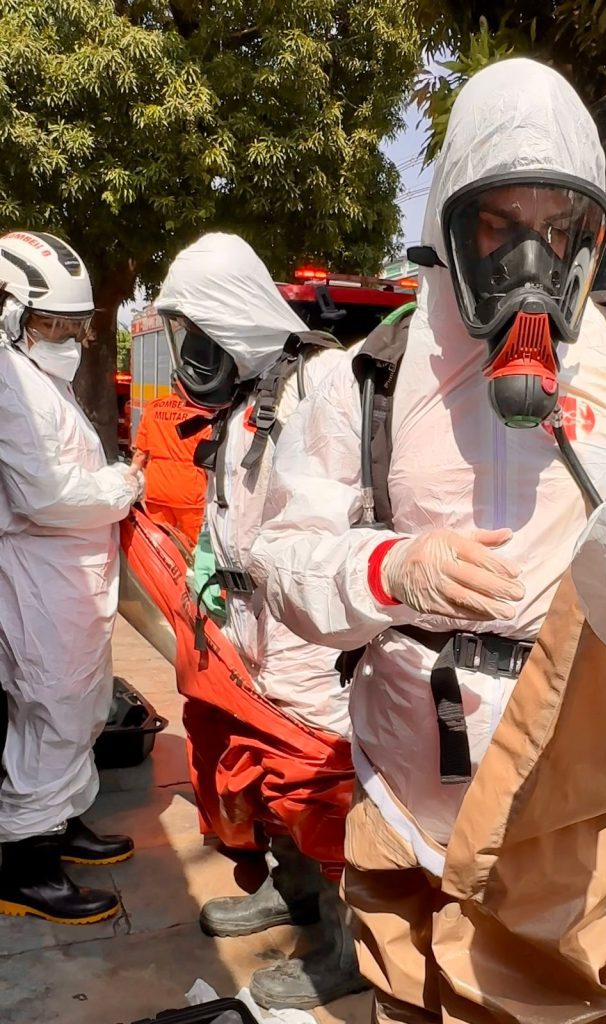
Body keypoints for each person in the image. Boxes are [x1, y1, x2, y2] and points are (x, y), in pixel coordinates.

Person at [248, 59, 606, 1022]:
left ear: (590, 237)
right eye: (500, 228)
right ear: (448, 227)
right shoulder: (367, 377)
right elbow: (283, 555)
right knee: (402, 991)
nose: (527, 265)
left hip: (567, 795)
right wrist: (389, 566)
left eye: (556, 232)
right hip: (403, 783)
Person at [152, 233, 364, 1009]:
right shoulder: (249, 398)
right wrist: (211, 567)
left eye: (195, 330)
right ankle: (294, 896)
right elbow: (231, 506)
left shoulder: (326, 383)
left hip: (309, 633)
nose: (189, 352)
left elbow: (333, 519)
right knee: (268, 779)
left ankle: (347, 951)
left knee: (322, 788)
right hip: (250, 627)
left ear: (232, 319)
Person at [0, 230, 142, 925]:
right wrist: (123, 485)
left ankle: (62, 823)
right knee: (50, 717)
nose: (66, 337)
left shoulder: (38, 378)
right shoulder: (7, 382)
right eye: (51, 324)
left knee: (83, 710)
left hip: (74, 585)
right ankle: (26, 862)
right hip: (38, 583)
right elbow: (45, 495)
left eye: (72, 325)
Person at [133, 392, 210, 544]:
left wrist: (129, 478)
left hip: (156, 489)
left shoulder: (154, 407)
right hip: (189, 491)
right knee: (194, 545)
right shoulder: (201, 412)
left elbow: (140, 454)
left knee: (158, 544)